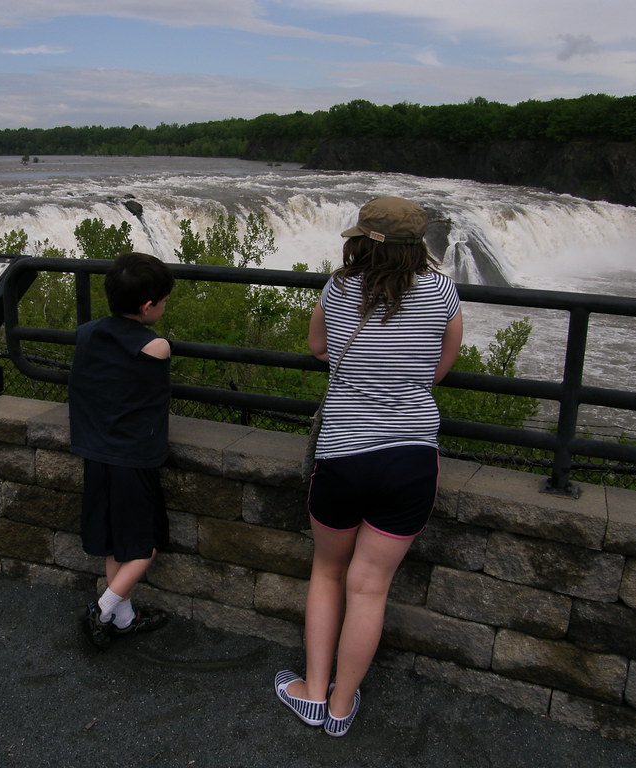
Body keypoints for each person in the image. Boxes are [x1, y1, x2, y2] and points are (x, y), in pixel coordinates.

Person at [275, 196, 463, 736]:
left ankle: (311, 691)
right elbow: (440, 370)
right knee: (370, 587)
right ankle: (341, 707)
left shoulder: (338, 288)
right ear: (417, 246)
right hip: (410, 459)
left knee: (328, 572)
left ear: (359, 240)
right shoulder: (443, 290)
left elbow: (317, 346)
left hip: (343, 456)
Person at [68, 251, 175, 650]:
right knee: (144, 547)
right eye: (163, 301)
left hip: (96, 453)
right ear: (148, 306)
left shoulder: (86, 333)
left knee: (116, 542)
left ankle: (124, 619)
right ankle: (102, 609)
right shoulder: (156, 347)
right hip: (134, 460)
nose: (164, 308)